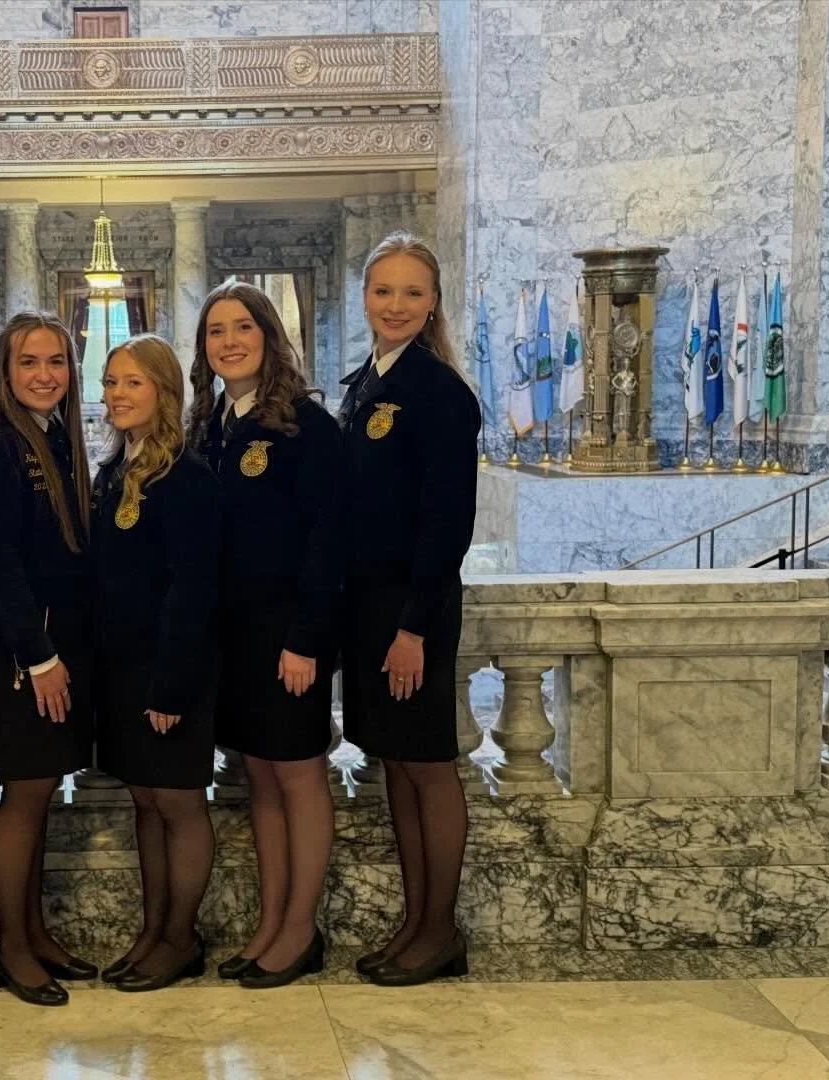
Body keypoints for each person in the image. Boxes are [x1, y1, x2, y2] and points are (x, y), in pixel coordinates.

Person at [186, 282, 343, 990]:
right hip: (234, 638)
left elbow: (326, 544)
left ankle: (301, 929)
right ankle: (272, 921)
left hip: (289, 636)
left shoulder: (308, 426)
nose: (229, 342)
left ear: (269, 335)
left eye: (242, 327)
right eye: (216, 331)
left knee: (299, 774)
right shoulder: (209, 424)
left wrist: (306, 639)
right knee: (260, 778)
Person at [337, 232, 481, 987]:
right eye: (383, 290)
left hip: (409, 613)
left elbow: (446, 525)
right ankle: (414, 922)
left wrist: (413, 628)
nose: (395, 305)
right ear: (366, 297)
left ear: (433, 305)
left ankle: (439, 931)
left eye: (412, 293)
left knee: (427, 765)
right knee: (395, 763)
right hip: (366, 608)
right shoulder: (366, 380)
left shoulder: (440, 392)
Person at [0, 311, 96, 1007]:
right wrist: (39, 657)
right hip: (21, 653)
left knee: (40, 791)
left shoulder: (54, 437)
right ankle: (12, 949)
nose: (44, 375)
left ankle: (34, 933)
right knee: (24, 793)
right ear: (6, 372)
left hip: (54, 644)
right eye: (29, 362)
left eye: (56, 362)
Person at [91, 335, 220, 993]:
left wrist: (170, 685)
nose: (117, 394)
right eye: (111, 382)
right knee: (144, 800)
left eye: (132, 383)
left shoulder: (187, 477)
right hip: (121, 670)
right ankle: (152, 930)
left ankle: (180, 939)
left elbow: (192, 590)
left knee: (177, 802)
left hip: (170, 668)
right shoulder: (114, 470)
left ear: (164, 391)